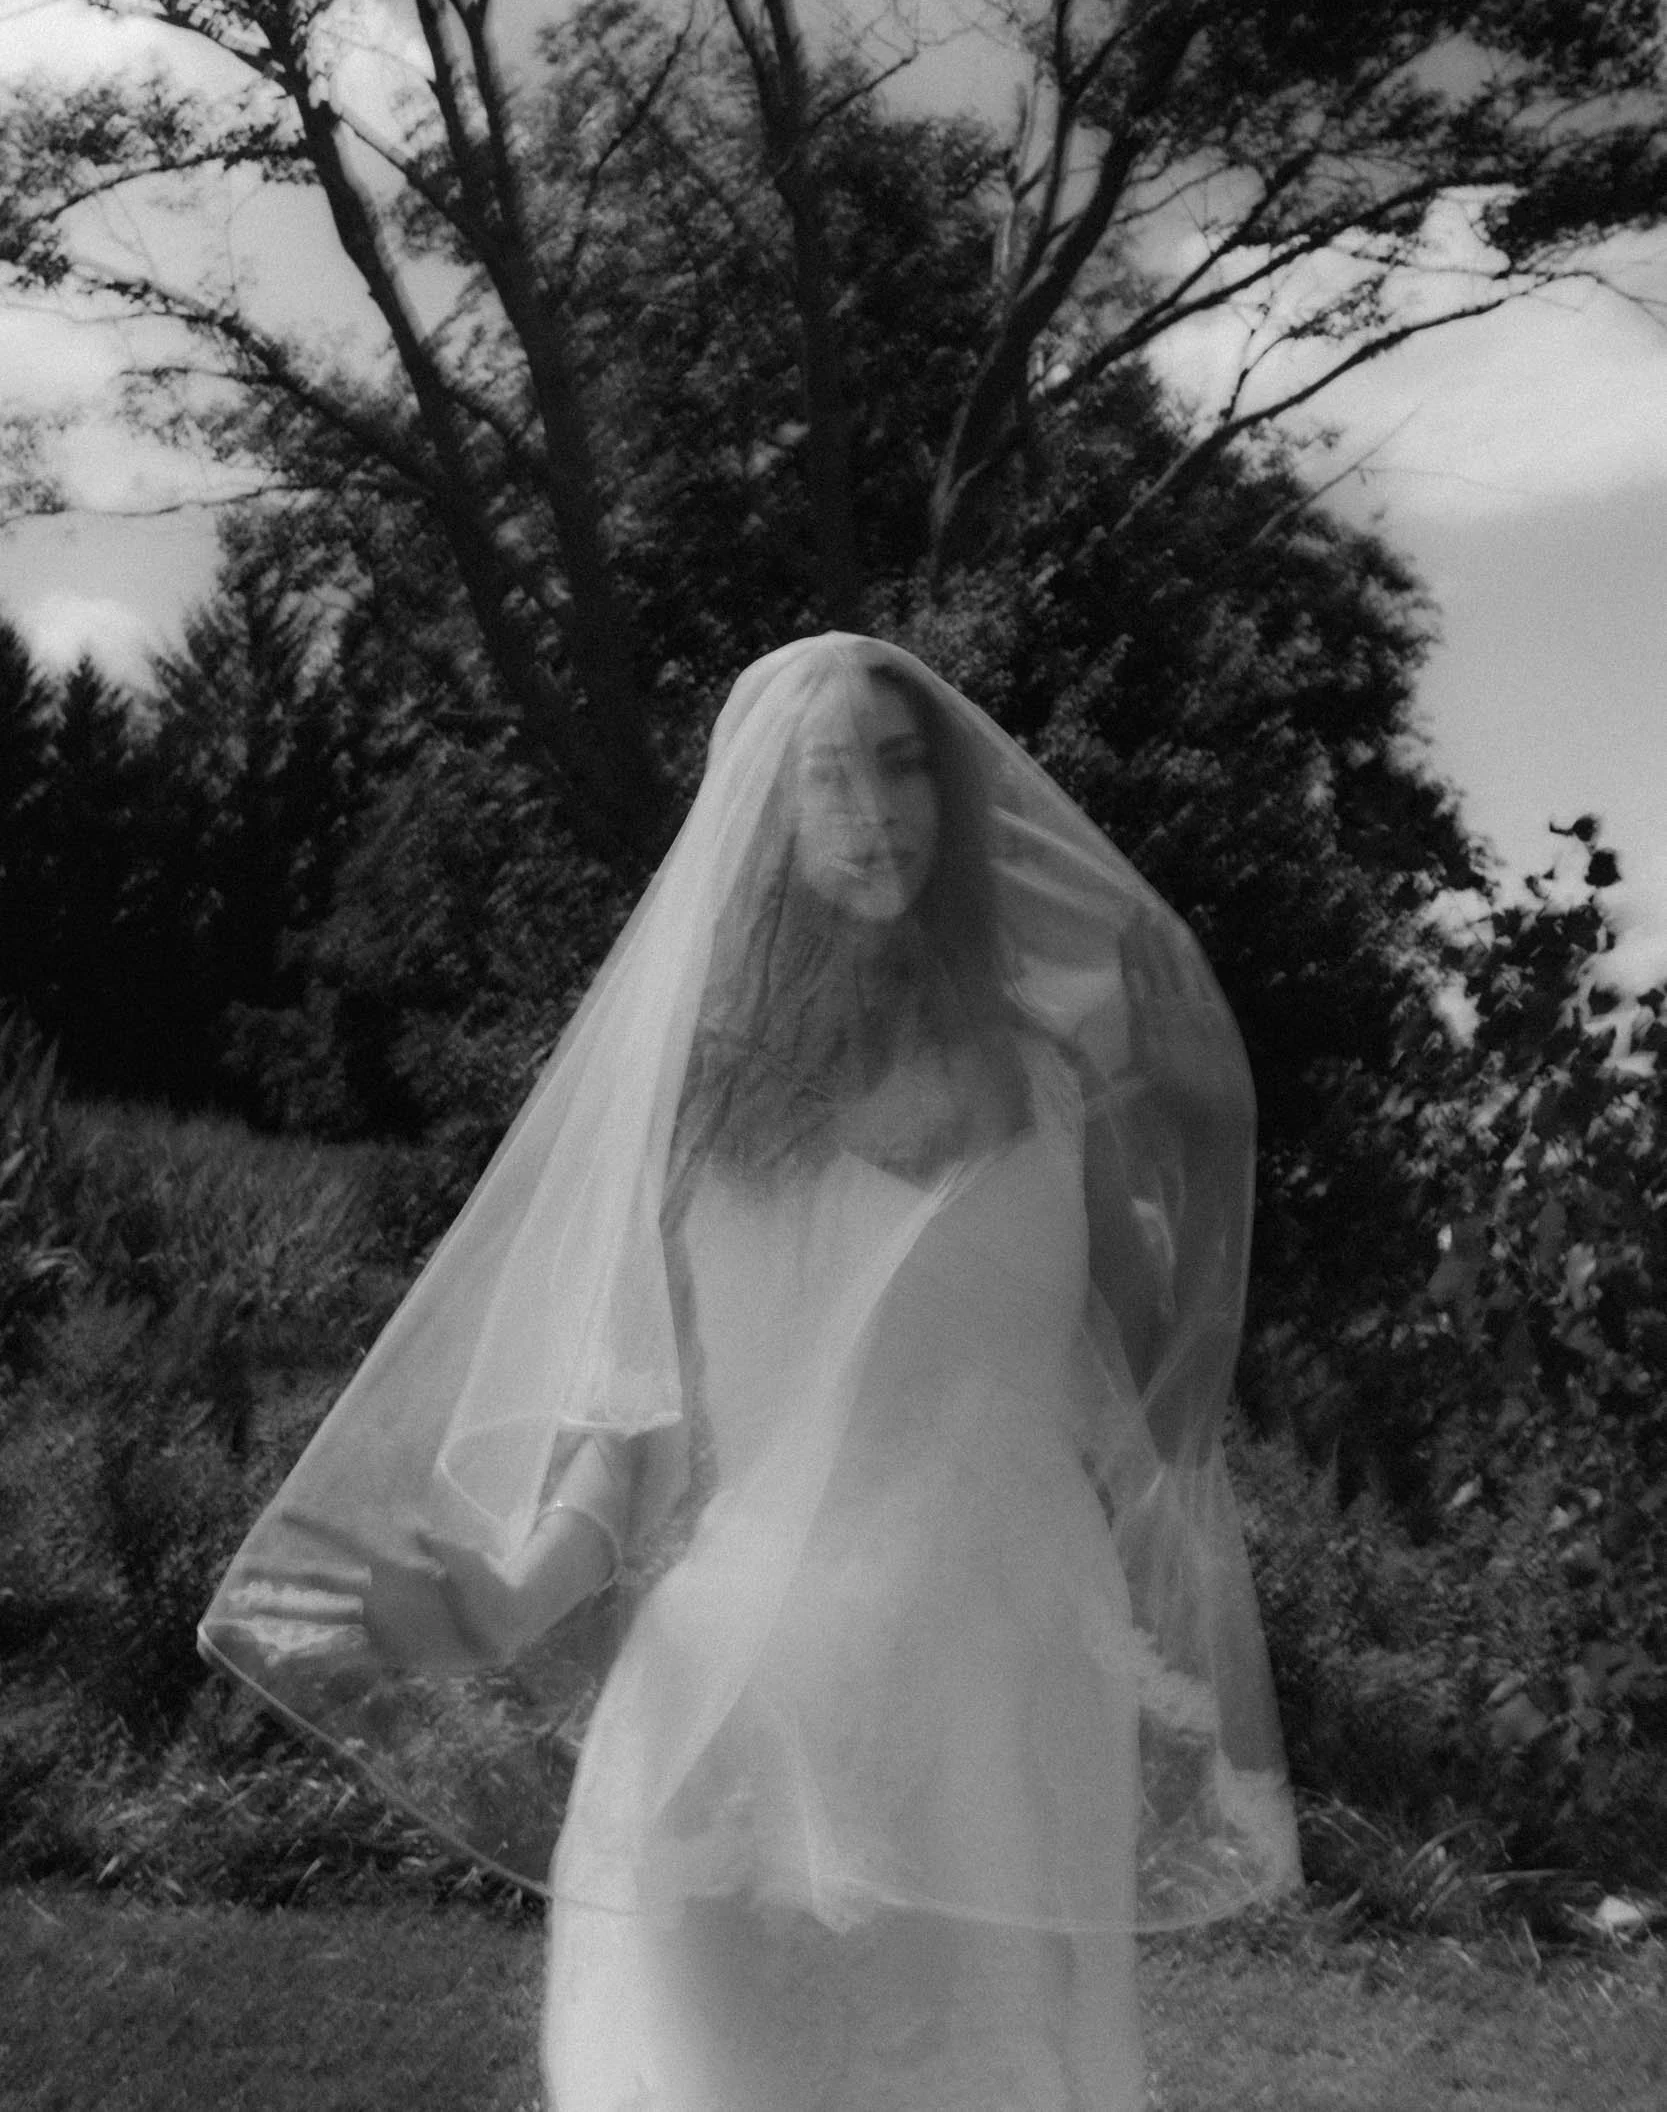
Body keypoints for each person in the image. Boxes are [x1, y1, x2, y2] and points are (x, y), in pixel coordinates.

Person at [200, 633, 1299, 2111]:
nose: (872, 809)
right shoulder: (703, 1104)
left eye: (903, 767)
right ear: (761, 819)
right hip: (735, 1708)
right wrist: (490, 1606)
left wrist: (1206, 1133)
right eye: (826, 774)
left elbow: (1164, 1420)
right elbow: (632, 1440)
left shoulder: (1049, 1086)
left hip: (1002, 1710)